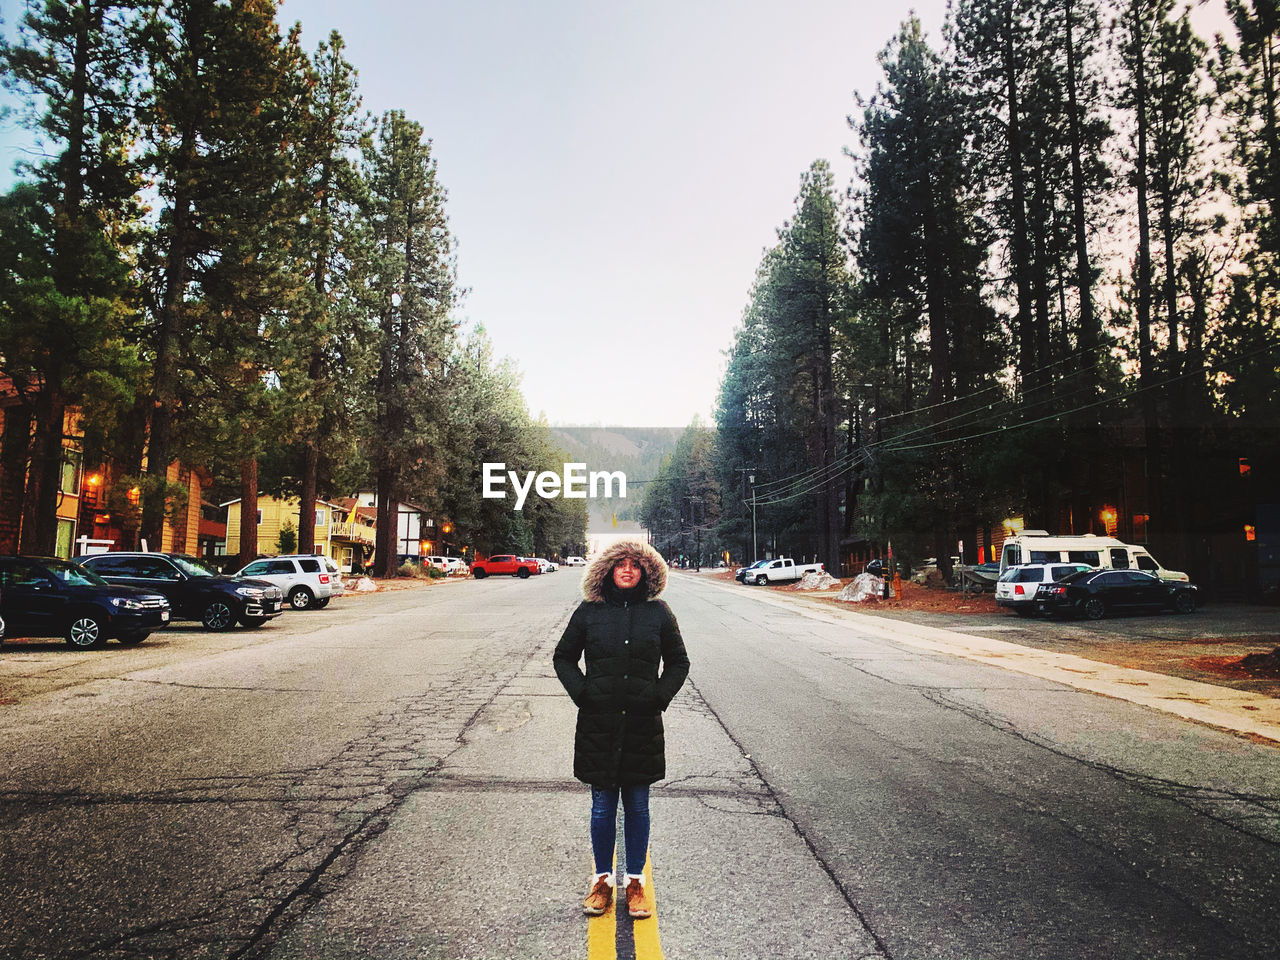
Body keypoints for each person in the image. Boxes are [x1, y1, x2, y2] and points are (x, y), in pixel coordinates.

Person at [553, 540, 690, 920]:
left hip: (643, 724)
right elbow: (563, 657)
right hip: (599, 723)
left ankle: (635, 883)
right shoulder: (588, 612)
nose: (628, 570)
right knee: (602, 808)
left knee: (638, 806)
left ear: (646, 571)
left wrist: (657, 696)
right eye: (620, 565)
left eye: (635, 565)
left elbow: (679, 662)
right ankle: (601, 881)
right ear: (608, 571)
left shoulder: (659, 613)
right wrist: (584, 693)